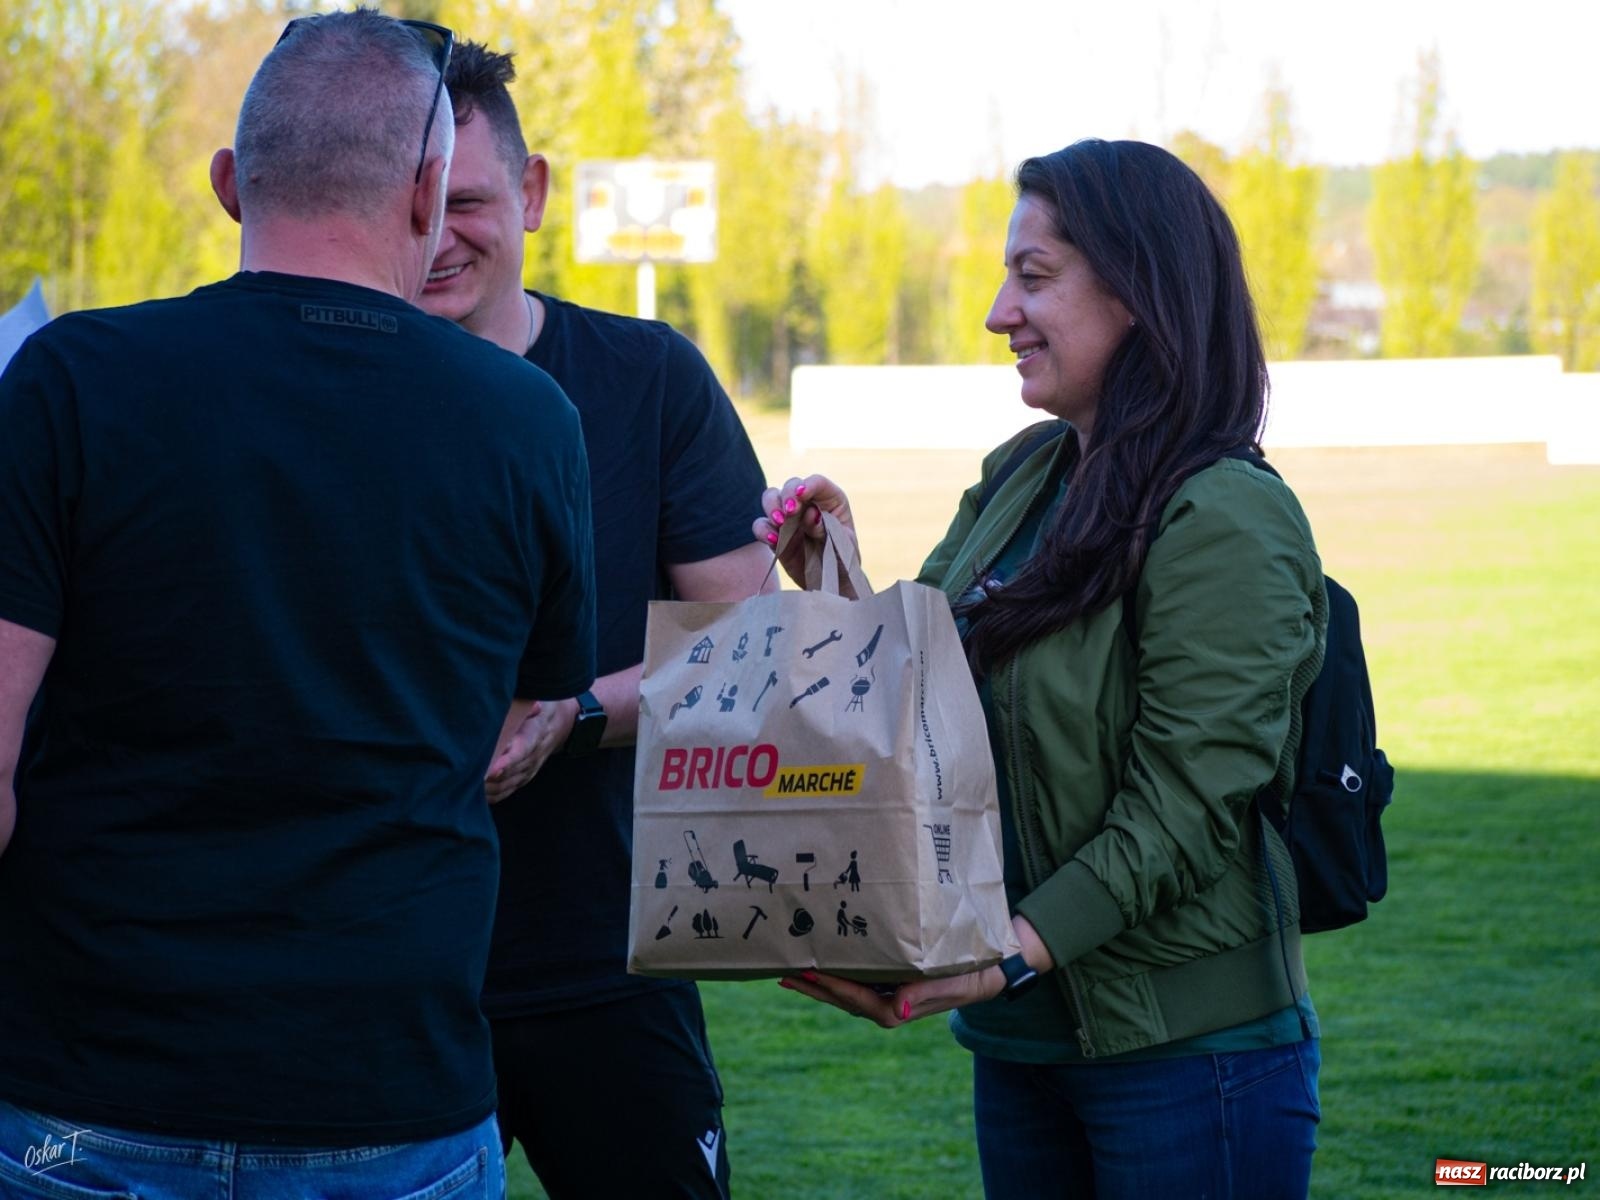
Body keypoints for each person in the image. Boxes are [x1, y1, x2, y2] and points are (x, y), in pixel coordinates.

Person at [0, 10, 596, 1198]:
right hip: (387, 1099)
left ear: (229, 184)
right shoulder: (525, 419)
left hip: (89, 1096)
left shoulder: (69, 379)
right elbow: (517, 719)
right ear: (430, 192)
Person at [757, 139, 1328, 1199]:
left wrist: (1012, 952)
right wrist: (833, 583)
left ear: (1140, 290)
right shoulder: (1025, 477)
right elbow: (921, 709)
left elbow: (1190, 806)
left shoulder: (1226, 515)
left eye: (1033, 276)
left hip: (1185, 1061)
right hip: (1022, 1043)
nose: (997, 313)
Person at [415, 41, 771, 1200]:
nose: (435, 236)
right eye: (406, 204)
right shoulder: (326, 384)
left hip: (607, 955)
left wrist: (569, 716)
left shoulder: (647, 376)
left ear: (532, 193)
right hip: (377, 964)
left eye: (465, 201)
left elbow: (749, 654)